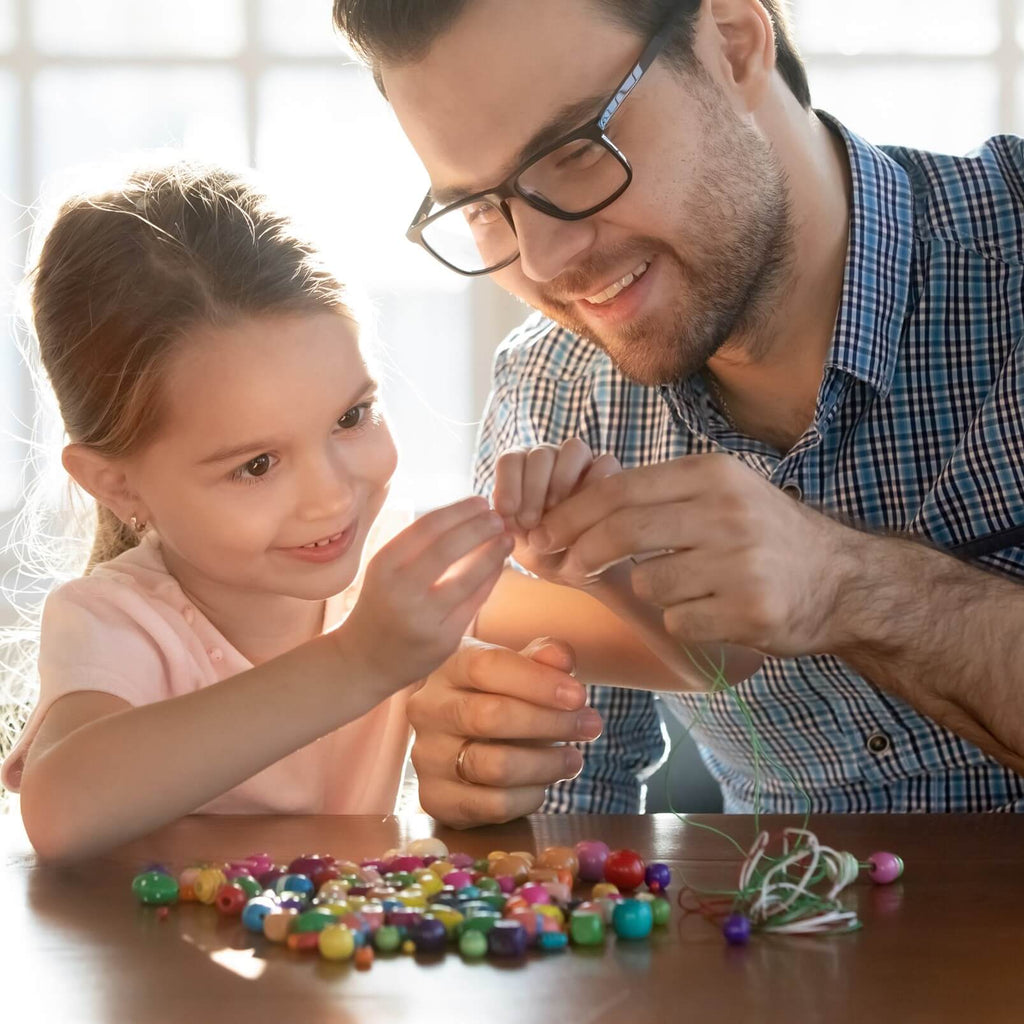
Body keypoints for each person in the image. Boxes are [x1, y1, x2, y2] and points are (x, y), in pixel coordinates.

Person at [333, 0, 1024, 824]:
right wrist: (487, 783)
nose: (547, 261)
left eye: (575, 152)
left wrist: (847, 585)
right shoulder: (553, 391)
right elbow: (573, 826)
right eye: (483, 208)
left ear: (732, 44)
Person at [0, 161, 515, 860]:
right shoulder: (116, 623)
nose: (333, 496)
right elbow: (62, 810)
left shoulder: (383, 570)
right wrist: (358, 663)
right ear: (118, 486)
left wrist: (596, 536)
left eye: (351, 416)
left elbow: (683, 648)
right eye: (257, 465)